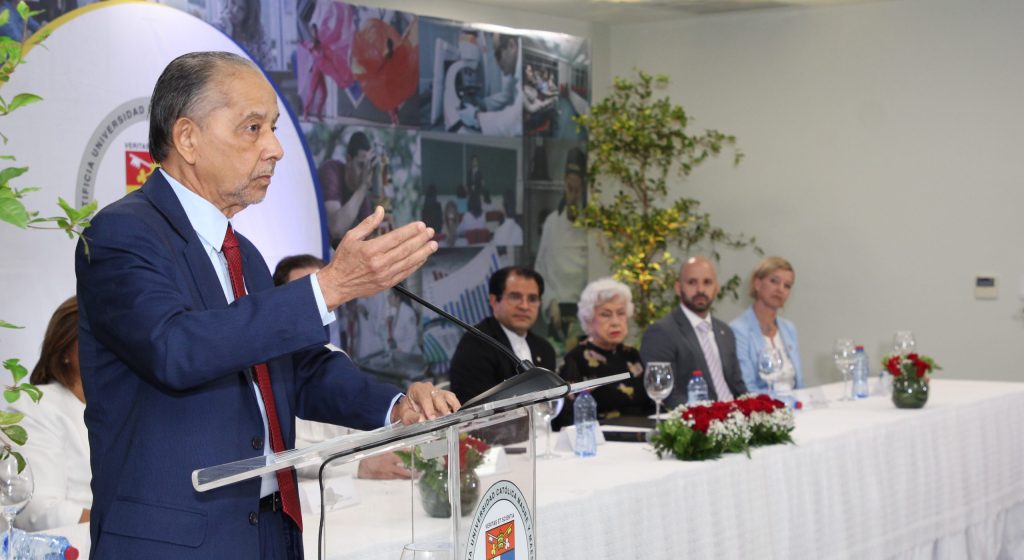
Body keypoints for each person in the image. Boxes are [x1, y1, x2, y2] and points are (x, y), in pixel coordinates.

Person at [75, 52, 456, 559]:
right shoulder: (121, 233)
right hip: (176, 544)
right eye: (252, 128)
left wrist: (394, 406)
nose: (275, 149)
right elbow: (174, 348)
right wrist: (328, 287)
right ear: (187, 138)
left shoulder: (244, 253)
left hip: (271, 531)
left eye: (273, 128)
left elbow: (291, 369)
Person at [272, 255, 413, 481]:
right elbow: (279, 451)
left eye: (322, 294)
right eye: (305, 295)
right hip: (297, 492)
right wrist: (354, 467)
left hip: (348, 490)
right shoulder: (268, 368)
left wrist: (402, 411)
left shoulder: (334, 357)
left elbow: (358, 432)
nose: (315, 304)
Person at [13, 296, 90, 532]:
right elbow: (36, 509)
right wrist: (128, 527)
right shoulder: (36, 404)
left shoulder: (128, 411)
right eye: (95, 334)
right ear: (64, 347)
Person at [640, 257, 748, 407]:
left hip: (735, 415)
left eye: (707, 282)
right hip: (696, 417)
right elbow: (666, 394)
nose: (700, 290)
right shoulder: (661, 332)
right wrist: (708, 414)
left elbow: (738, 387)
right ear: (678, 288)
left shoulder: (725, 331)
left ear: (716, 288)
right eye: (692, 282)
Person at [449, 267, 556, 405]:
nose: (524, 306)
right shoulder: (476, 344)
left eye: (532, 299)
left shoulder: (545, 348)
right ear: (494, 300)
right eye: (515, 297)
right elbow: (475, 407)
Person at [556, 278, 652, 429]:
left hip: (642, 432)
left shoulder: (631, 354)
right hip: (602, 437)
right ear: (589, 320)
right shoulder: (576, 359)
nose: (615, 322)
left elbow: (651, 403)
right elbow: (567, 421)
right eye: (606, 314)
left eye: (621, 313)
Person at [534, 147, 587, 342]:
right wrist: (550, 302)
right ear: (564, 186)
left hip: (584, 314)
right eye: (569, 188)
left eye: (577, 190)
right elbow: (540, 268)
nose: (573, 195)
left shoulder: (590, 227)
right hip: (556, 311)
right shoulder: (551, 223)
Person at [729, 256, 804, 394]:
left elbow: (799, 383)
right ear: (757, 284)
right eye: (774, 281)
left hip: (795, 402)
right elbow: (747, 388)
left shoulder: (789, 329)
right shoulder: (737, 330)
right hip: (763, 405)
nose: (780, 289)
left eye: (787, 286)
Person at [321, 130, 375, 246]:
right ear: (348, 159)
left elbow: (372, 238)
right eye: (361, 165)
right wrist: (363, 186)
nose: (365, 173)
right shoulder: (331, 171)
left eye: (368, 167)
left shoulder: (360, 196)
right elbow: (336, 230)